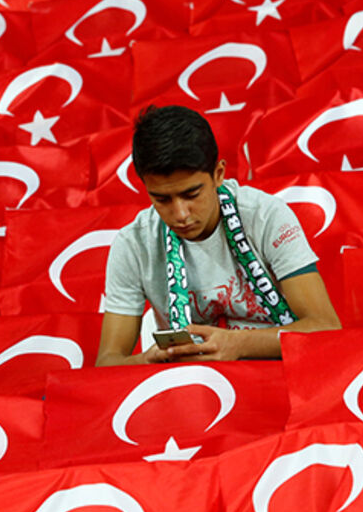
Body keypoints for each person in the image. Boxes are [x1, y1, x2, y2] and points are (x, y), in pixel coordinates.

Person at [96, 105, 342, 366]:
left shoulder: (265, 216)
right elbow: (108, 362)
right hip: (193, 388)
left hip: (279, 375)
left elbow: (325, 327)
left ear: (219, 174)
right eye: (161, 199)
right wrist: (149, 360)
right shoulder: (133, 244)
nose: (180, 213)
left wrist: (239, 345)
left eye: (192, 195)